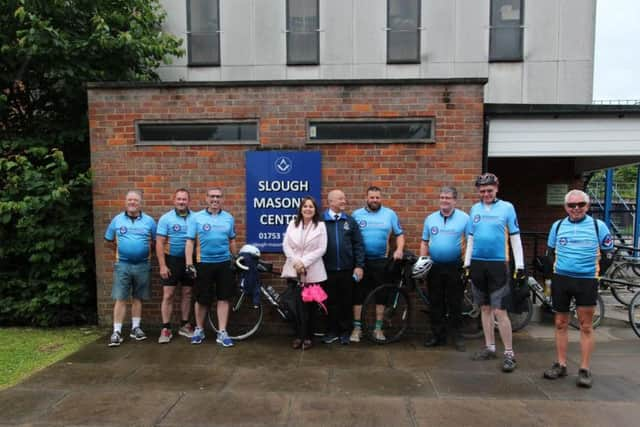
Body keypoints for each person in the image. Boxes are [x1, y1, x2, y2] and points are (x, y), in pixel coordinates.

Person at [542, 190, 613, 388]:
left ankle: (584, 368)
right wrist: (552, 277)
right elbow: (550, 253)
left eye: (580, 204)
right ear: (565, 207)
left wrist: (597, 276)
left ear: (587, 206)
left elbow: (608, 254)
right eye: (571, 205)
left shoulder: (598, 226)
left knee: (586, 326)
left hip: (586, 281)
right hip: (562, 280)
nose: (576, 209)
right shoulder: (557, 226)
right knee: (560, 323)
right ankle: (561, 364)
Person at [463, 173, 524, 372]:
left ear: (497, 188)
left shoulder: (507, 208)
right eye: (482, 191)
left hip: (499, 264)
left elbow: (515, 237)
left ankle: (509, 353)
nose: (486, 194)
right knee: (485, 308)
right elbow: (470, 238)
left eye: (489, 190)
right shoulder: (474, 209)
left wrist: (520, 265)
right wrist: (467, 263)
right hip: (478, 264)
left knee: (500, 310)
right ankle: (489, 347)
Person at [351, 186, 405, 342]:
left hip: (382, 261)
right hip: (361, 262)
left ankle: (378, 329)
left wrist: (399, 249)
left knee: (381, 296)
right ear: (366, 198)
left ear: (381, 198)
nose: (374, 200)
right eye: (372, 197)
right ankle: (357, 329)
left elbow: (399, 234)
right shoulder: (356, 214)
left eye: (377, 197)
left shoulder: (390, 214)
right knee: (358, 295)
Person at [185, 188, 237, 347]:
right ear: (206, 198)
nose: (215, 199)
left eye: (218, 196)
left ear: (222, 199)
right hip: (203, 263)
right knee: (202, 299)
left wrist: (235, 259)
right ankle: (199, 329)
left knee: (223, 298)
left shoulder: (229, 218)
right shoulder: (196, 218)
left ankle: (222, 332)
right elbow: (190, 241)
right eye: (212, 196)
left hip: (224, 263)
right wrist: (189, 264)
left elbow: (232, 240)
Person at [104, 190, 157, 347]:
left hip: (142, 265)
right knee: (121, 297)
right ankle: (117, 331)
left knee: (137, 297)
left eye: (135, 200)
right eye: (130, 200)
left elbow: (155, 242)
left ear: (140, 203)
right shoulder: (117, 220)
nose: (132, 202)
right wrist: (121, 252)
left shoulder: (149, 221)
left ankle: (135, 328)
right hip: (123, 265)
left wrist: (144, 252)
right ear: (125, 202)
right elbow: (108, 240)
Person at [421, 186, 469, 352]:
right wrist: (423, 261)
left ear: (455, 200)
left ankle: (457, 337)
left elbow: (470, 241)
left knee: (455, 302)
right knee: (436, 303)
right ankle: (437, 336)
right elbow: (425, 242)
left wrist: (467, 263)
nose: (444, 200)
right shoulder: (430, 219)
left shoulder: (464, 218)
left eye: (448, 198)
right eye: (442, 197)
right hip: (434, 267)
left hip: (455, 267)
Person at [282, 196, 328, 350]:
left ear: (315, 210)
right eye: (305, 206)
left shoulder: (320, 226)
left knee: (310, 308)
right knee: (295, 306)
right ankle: (298, 335)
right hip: (294, 271)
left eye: (311, 206)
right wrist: (296, 262)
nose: (308, 209)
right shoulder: (292, 224)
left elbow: (321, 249)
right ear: (300, 209)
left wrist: (304, 263)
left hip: (312, 272)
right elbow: (286, 245)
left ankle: (308, 336)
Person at [321, 189, 365, 345]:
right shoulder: (321, 221)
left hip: (347, 270)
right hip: (327, 270)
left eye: (344, 198)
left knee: (346, 302)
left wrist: (359, 266)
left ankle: (345, 332)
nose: (344, 201)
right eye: (340, 199)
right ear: (330, 202)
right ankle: (331, 331)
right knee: (330, 302)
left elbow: (358, 245)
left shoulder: (350, 221)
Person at [156, 188, 195, 343]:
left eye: (184, 199)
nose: (181, 202)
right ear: (174, 200)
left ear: (188, 201)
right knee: (168, 295)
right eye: (179, 199)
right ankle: (166, 329)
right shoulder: (166, 218)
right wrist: (162, 265)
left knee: (187, 293)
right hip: (171, 260)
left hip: (190, 261)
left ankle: (185, 325)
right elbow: (159, 242)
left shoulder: (196, 218)